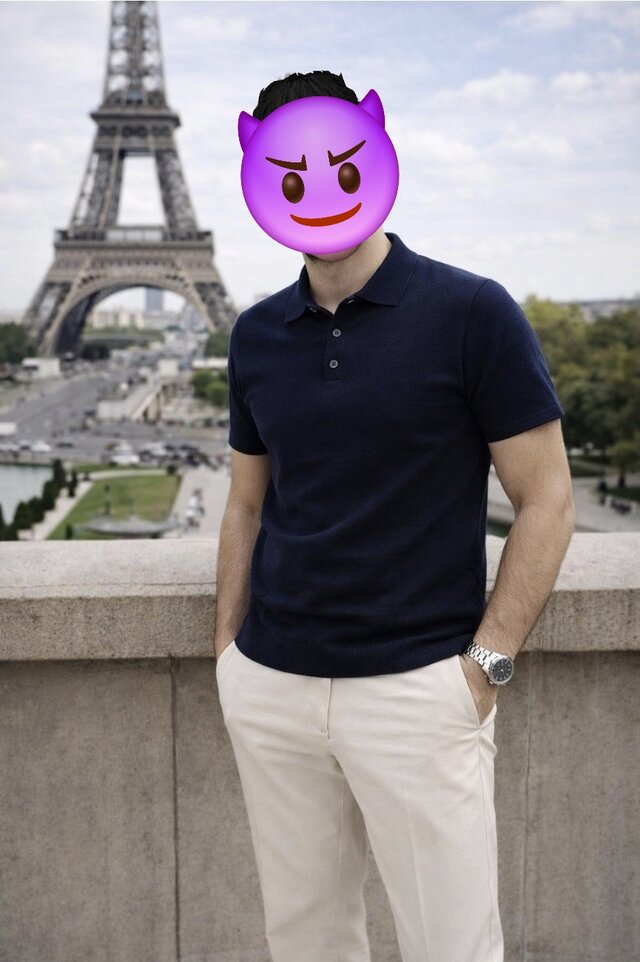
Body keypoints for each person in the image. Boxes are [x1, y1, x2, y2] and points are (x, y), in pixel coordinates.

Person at [213, 70, 575, 962]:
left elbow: (547, 498)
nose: (318, 187)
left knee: (454, 947)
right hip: (273, 686)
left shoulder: (473, 312)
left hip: (420, 690)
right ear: (257, 171)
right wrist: (230, 657)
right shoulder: (255, 335)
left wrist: (484, 669)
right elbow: (246, 502)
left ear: (375, 148)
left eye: (340, 163)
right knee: (306, 942)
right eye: (289, 169)